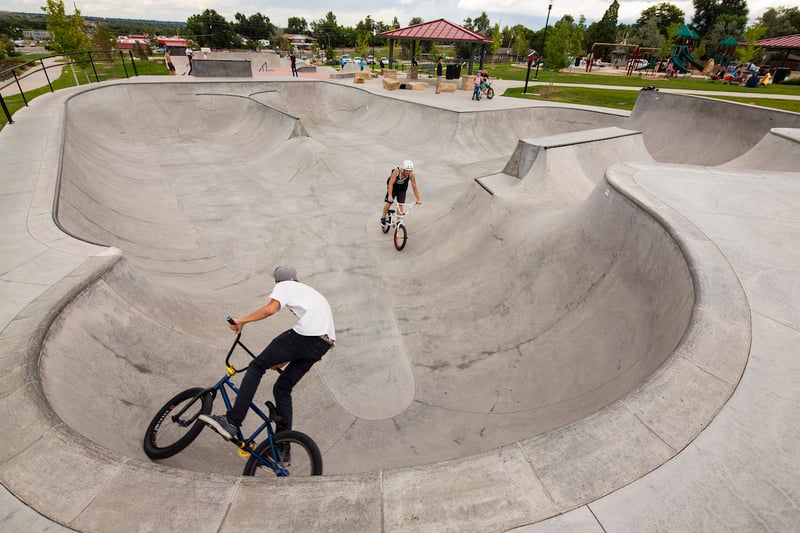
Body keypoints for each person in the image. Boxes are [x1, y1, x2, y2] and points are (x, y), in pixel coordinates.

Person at [199, 265, 336, 441]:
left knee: (256, 366)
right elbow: (312, 338)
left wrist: (241, 321)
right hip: (323, 344)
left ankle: (232, 421)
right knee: (283, 388)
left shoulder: (284, 286)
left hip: (307, 336)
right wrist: (284, 360)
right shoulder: (308, 292)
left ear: (276, 281)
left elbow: (270, 309)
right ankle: (282, 447)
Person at [381, 160, 422, 225]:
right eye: (407, 170)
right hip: (393, 187)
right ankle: (383, 216)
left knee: (401, 204)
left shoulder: (411, 175)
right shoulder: (396, 171)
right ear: (403, 169)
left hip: (402, 189)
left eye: (410, 171)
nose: (409, 172)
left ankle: (399, 222)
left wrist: (418, 199)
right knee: (389, 202)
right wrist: (390, 195)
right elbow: (390, 183)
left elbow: (414, 187)